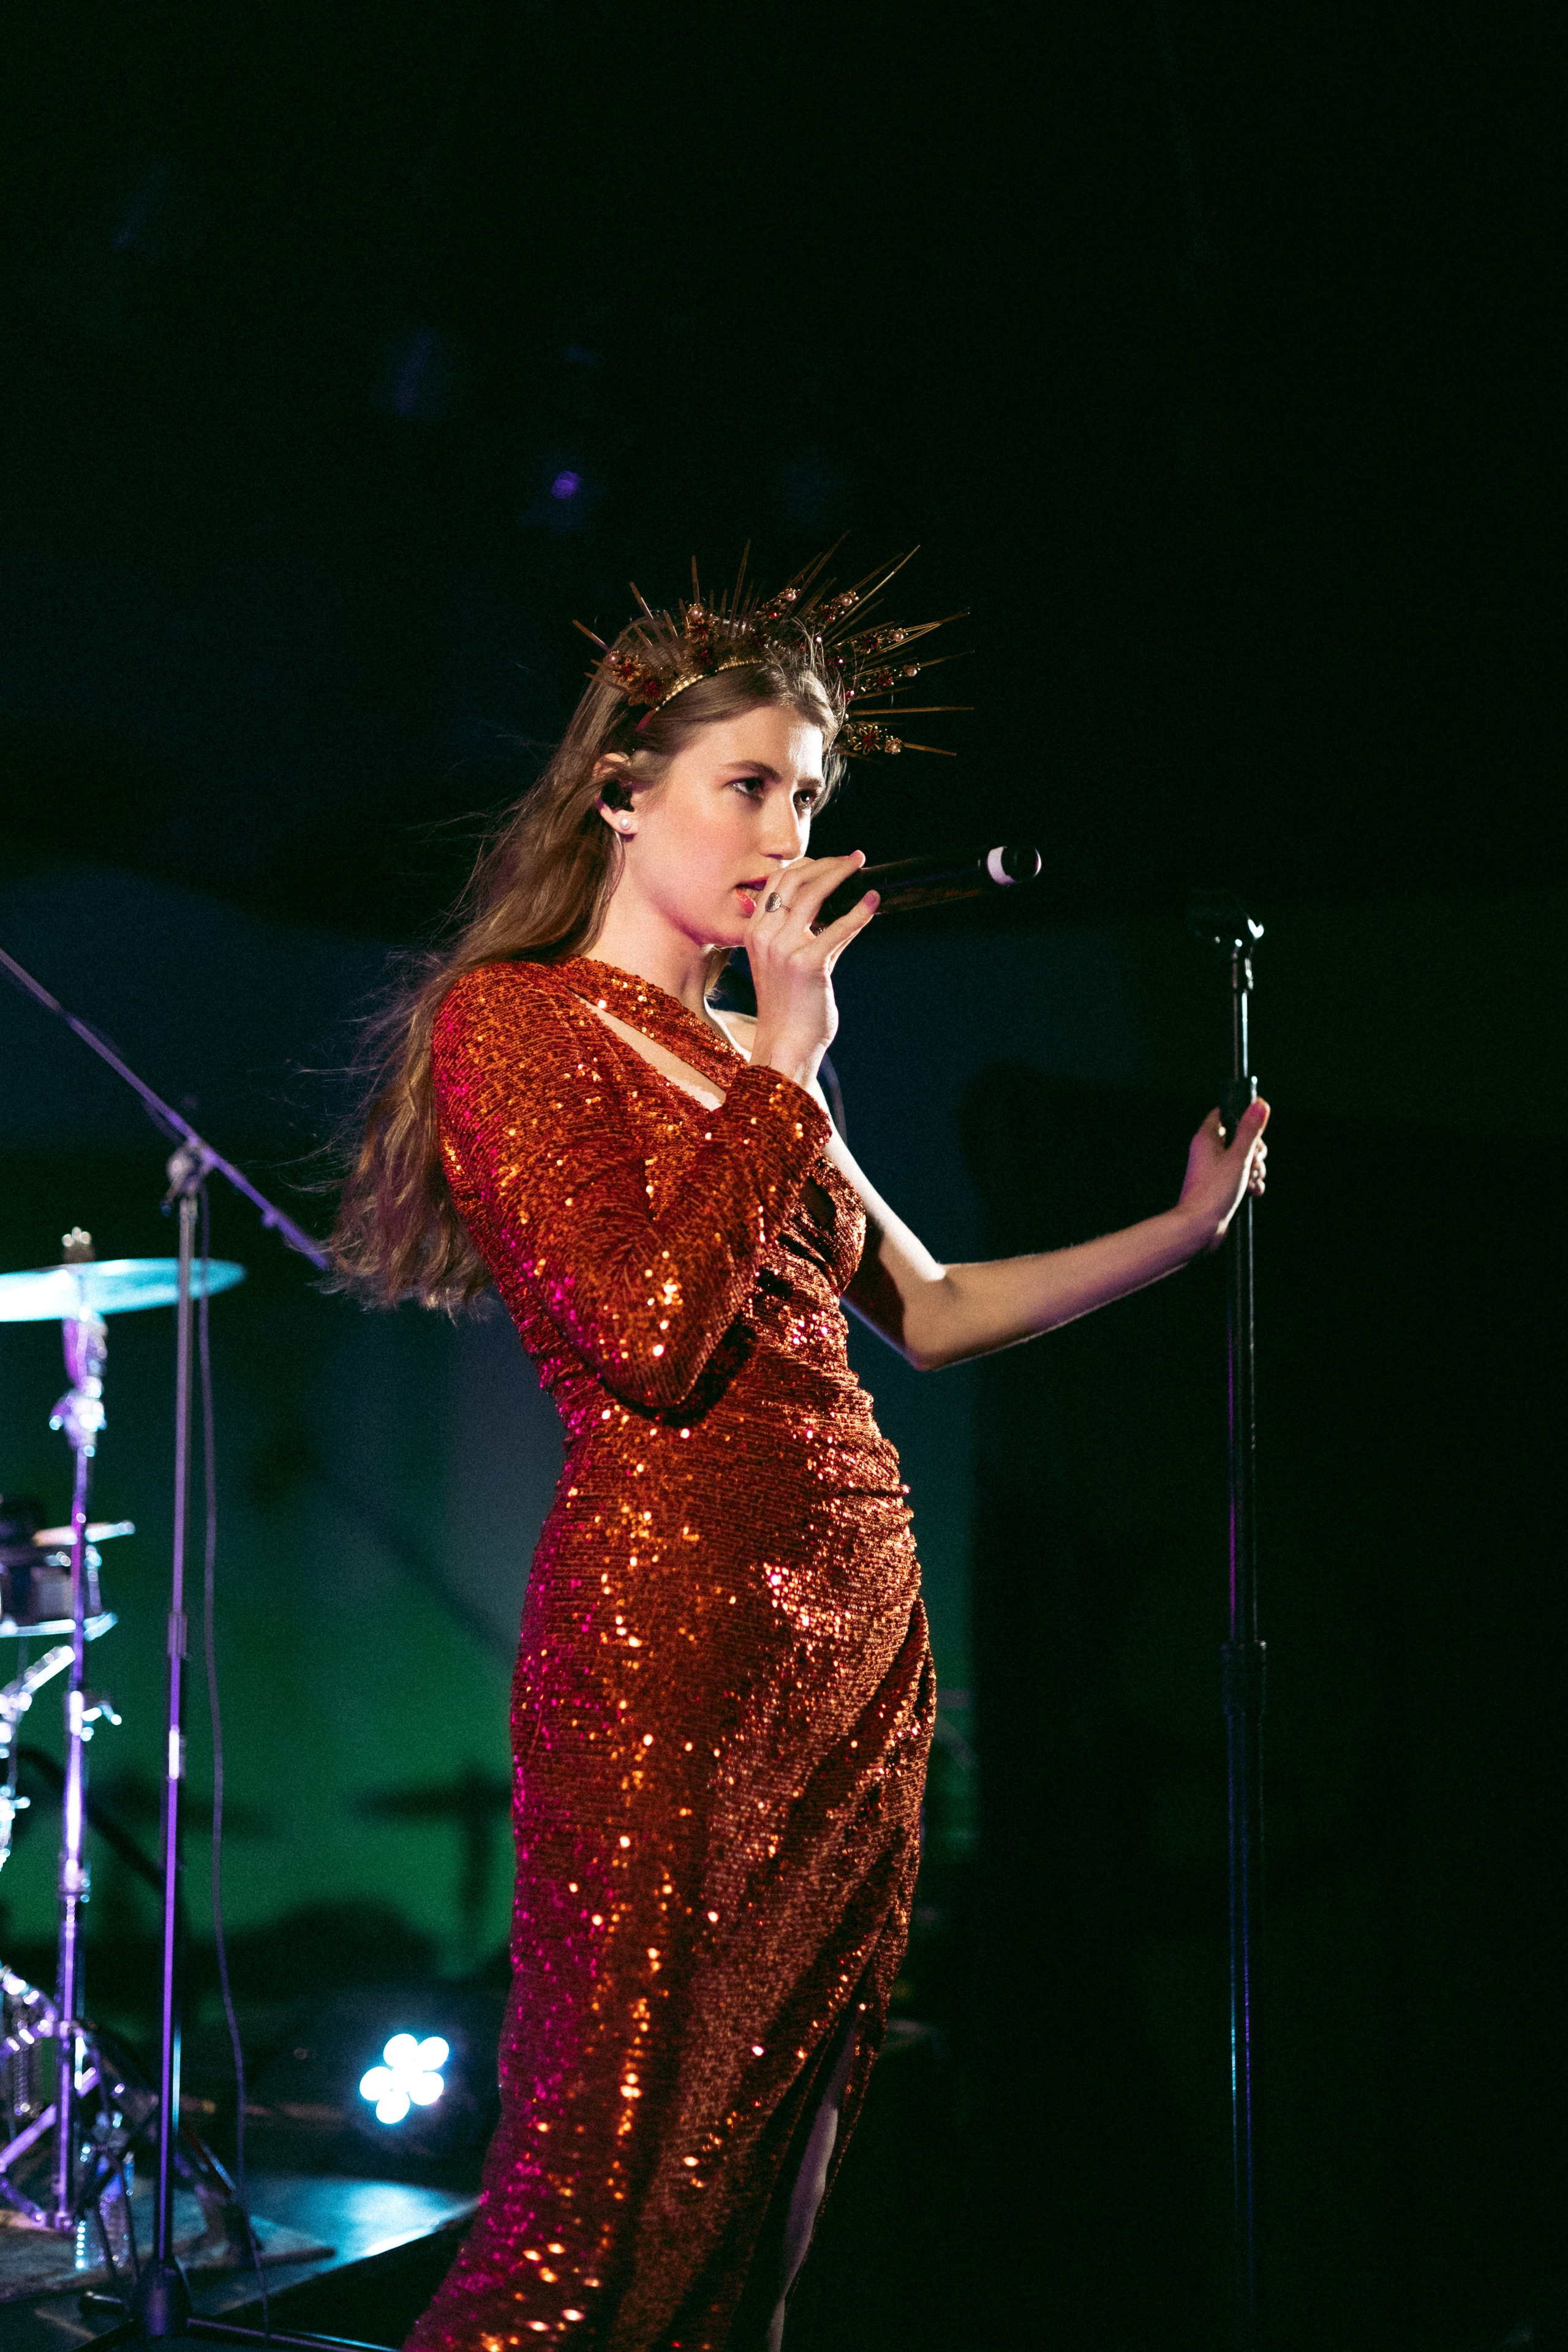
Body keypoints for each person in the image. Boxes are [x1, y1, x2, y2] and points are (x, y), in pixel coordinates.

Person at [330, 559, 1268, 2352]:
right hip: (680, 1648)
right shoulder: (516, 1026)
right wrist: (784, 1056)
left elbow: (927, 1307)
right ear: (625, 790)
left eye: (813, 794)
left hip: (858, 1658)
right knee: (606, 2205)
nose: (789, 828)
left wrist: (1178, 1235)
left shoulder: (756, 1067)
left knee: (781, 2195)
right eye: (749, 784)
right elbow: (650, 1328)